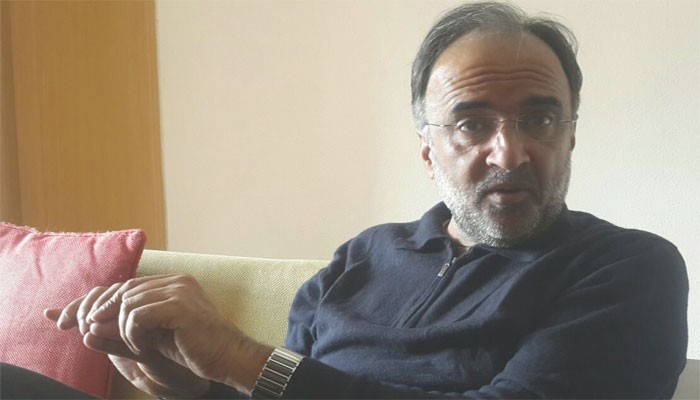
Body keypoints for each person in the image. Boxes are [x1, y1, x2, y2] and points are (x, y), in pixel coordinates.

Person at [30, 1, 688, 399]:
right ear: (428, 149)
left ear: (570, 136)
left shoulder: (629, 269)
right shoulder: (363, 257)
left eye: (540, 119)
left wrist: (237, 358)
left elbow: (269, 375)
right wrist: (190, 385)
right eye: (471, 123)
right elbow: (279, 390)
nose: (510, 153)